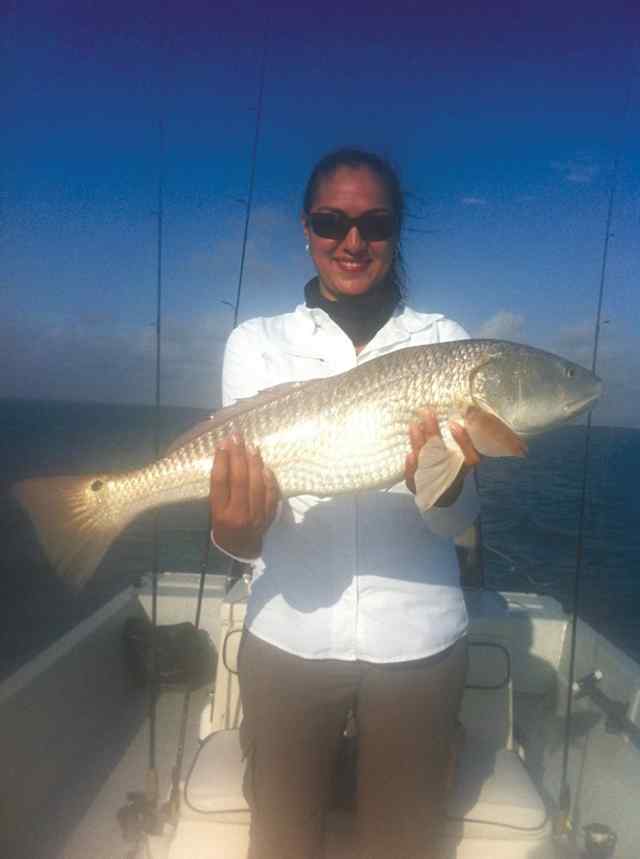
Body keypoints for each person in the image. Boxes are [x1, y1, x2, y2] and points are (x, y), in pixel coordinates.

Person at [209, 148, 481, 859]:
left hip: (417, 643)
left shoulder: (445, 343)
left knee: (402, 845)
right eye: (331, 221)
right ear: (306, 227)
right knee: (281, 840)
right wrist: (233, 531)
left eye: (375, 223)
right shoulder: (256, 345)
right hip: (289, 642)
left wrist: (445, 481)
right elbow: (244, 530)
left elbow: (454, 518)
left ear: (397, 231)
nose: (352, 242)